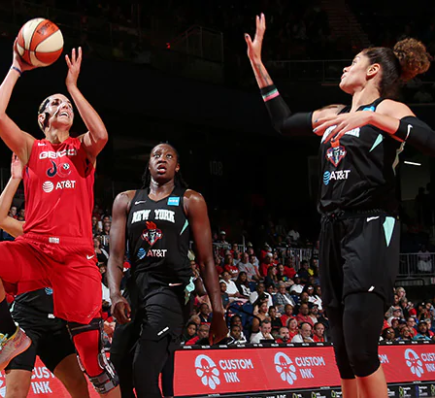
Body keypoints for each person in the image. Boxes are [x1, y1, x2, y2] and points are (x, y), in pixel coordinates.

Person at [245, 13, 433, 397]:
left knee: (364, 352)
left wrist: (374, 118)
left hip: (372, 225)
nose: (345, 68)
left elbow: (430, 140)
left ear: (373, 71)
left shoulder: (390, 109)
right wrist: (258, 66)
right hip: (331, 229)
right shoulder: (334, 113)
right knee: (344, 355)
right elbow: (282, 123)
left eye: (353, 64)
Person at [0, 41, 119, 395]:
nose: (63, 107)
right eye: (55, 104)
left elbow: (101, 135)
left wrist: (72, 88)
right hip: (36, 252)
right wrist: (17, 67)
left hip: (76, 260)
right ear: (41, 119)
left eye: (66, 105)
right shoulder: (30, 148)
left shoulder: (82, 148)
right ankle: (10, 333)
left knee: (94, 363)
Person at [108, 143, 228, 398]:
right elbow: (116, 256)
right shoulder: (126, 200)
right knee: (119, 369)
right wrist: (115, 294)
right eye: (156, 155)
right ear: (148, 164)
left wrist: (217, 311)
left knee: (144, 371)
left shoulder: (190, 200)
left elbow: (206, 261)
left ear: (177, 166)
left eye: (169, 156)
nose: (162, 159)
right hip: (136, 287)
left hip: (171, 289)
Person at [0, 154, 89, 398]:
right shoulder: (30, 231)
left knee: (80, 388)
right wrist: (15, 178)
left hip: (56, 323)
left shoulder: (74, 239)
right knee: (16, 393)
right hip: (26, 322)